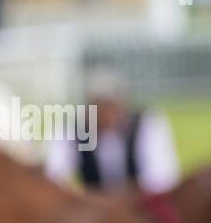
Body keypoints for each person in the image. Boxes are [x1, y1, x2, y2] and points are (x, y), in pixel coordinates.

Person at [45, 68, 181, 195]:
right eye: (100, 107)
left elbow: (162, 179)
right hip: (93, 210)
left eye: (112, 106)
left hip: (140, 209)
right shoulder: (73, 130)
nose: (108, 114)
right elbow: (54, 177)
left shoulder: (147, 125)